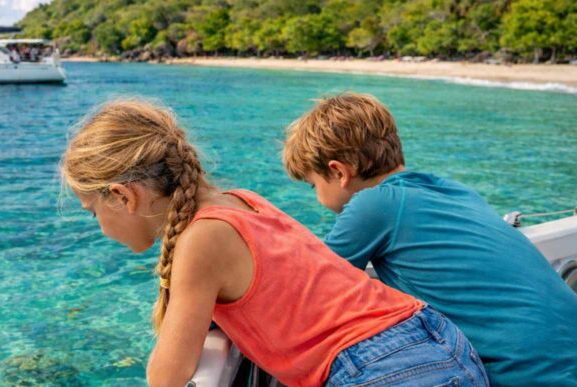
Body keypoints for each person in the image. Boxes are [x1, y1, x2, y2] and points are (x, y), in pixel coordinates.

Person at [61, 99, 488, 387]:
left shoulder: (200, 240)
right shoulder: (246, 202)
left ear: (122, 195)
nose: (98, 226)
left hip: (383, 368)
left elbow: (167, 376)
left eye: (91, 211)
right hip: (438, 337)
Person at [282, 92, 577, 386]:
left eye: (313, 186)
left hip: (527, 374)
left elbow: (309, 288)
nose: (317, 196)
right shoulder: (454, 190)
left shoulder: (373, 205)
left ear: (339, 172)